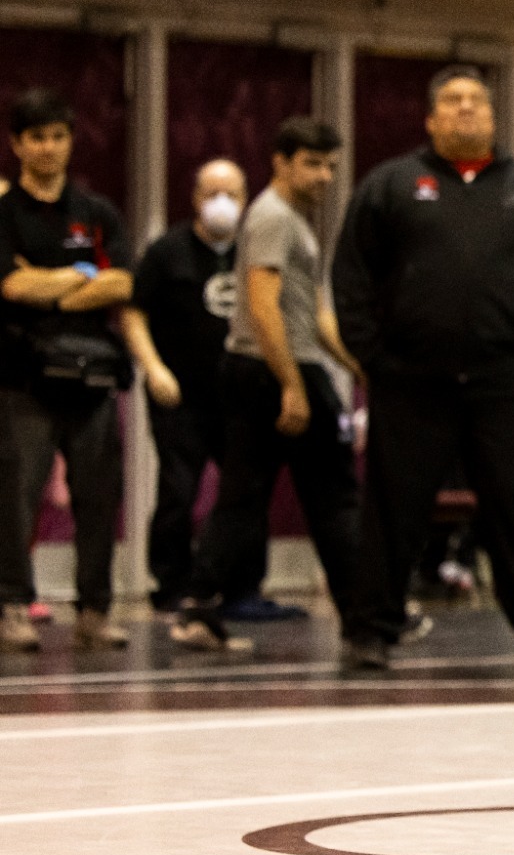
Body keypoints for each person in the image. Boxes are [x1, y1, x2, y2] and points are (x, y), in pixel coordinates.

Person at [332, 65, 514, 671]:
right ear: (431, 118)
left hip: (508, 377)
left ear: (494, 116)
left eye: (476, 100)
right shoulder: (392, 184)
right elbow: (351, 276)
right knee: (395, 507)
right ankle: (371, 631)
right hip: (411, 376)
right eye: (452, 100)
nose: (466, 108)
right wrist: (372, 356)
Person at [173, 119, 367, 656]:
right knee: (332, 496)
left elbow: (314, 314)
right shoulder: (274, 218)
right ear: (280, 162)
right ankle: (362, 615)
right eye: (312, 163)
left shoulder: (296, 223)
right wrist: (292, 385)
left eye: (331, 165)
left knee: (247, 495)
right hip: (272, 369)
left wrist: (354, 366)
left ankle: (200, 606)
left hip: (281, 367)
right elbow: (261, 304)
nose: (324, 176)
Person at [0, 89, 134, 653]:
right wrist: (83, 278)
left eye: (58, 136)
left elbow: (123, 282)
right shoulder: (4, 214)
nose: (48, 147)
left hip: (93, 377)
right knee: (16, 494)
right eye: (37, 137)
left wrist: (49, 285)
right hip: (22, 377)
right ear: (17, 145)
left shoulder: (97, 212)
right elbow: (10, 284)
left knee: (99, 496)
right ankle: (12, 605)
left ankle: (95, 610)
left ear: (70, 141)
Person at [125, 159, 279, 615]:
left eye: (232, 194)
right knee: (179, 490)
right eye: (212, 193)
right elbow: (134, 313)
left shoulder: (255, 251)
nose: (222, 204)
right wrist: (153, 368)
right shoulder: (166, 251)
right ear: (194, 198)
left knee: (246, 493)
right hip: (181, 396)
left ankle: (243, 588)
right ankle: (172, 584)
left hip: (238, 395)